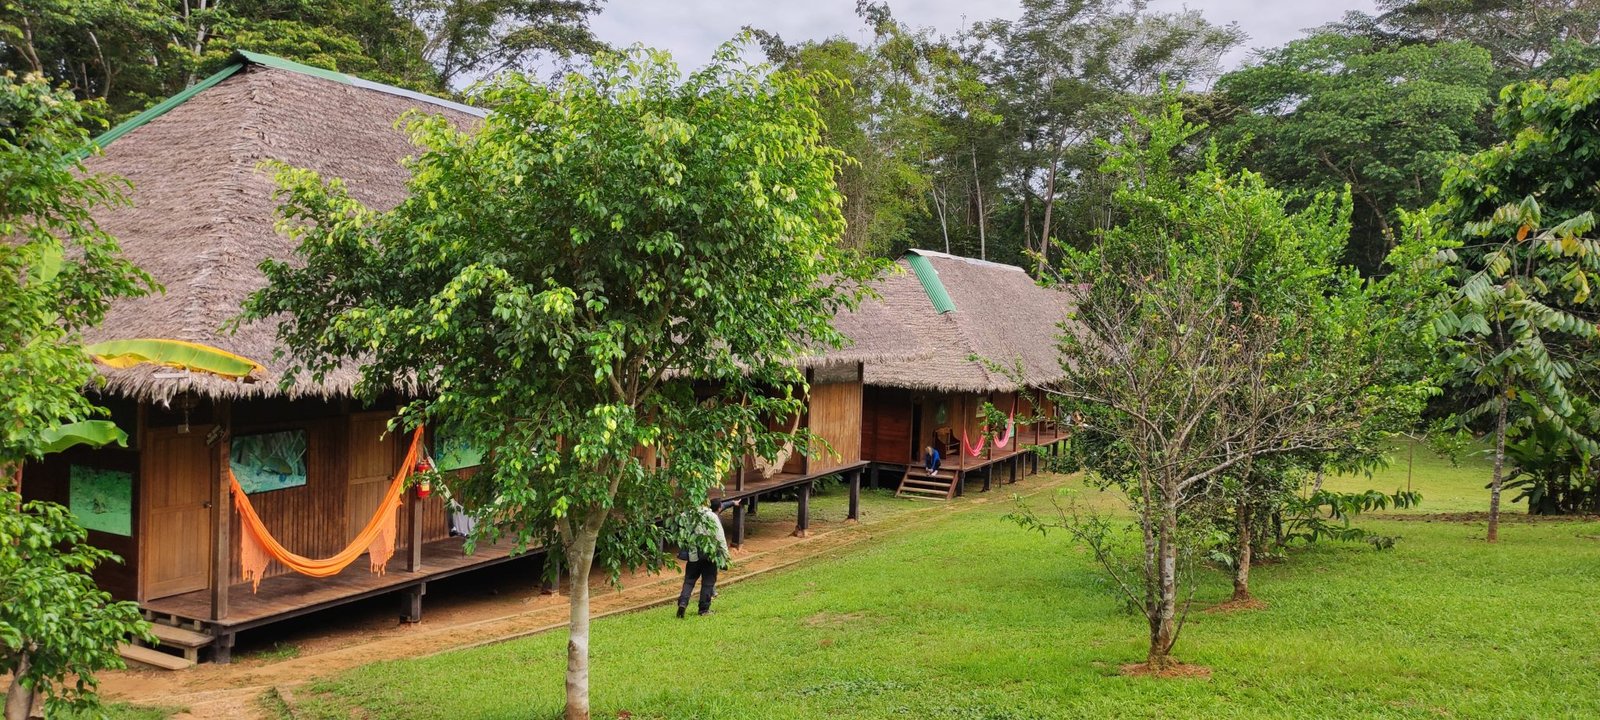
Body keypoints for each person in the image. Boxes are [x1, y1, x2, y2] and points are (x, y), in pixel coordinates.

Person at [677, 497, 737, 617]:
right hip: (710, 552)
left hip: (693, 553)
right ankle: (704, 609)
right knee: (708, 582)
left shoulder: (685, 515)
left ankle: (683, 603)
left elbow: (682, 535)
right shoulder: (711, 515)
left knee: (689, 580)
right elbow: (720, 537)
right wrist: (726, 555)